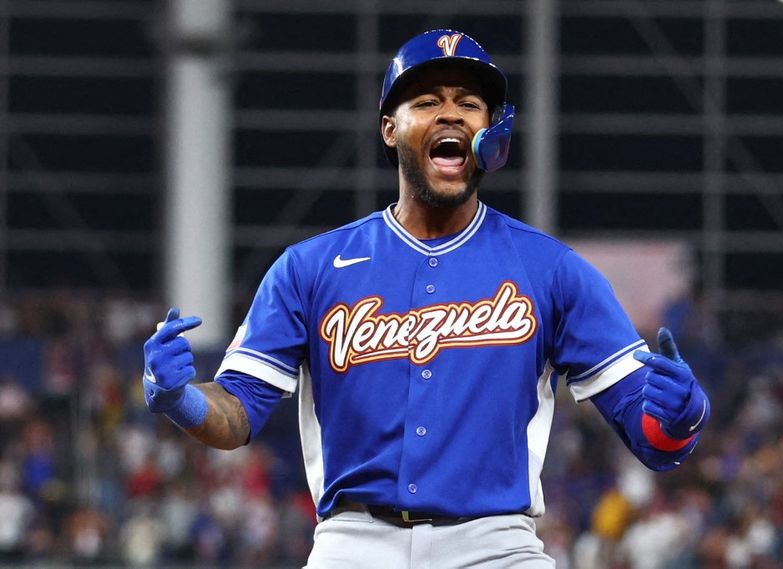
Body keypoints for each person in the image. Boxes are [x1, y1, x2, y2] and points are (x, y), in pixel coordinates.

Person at [142, 29, 710, 568]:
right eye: (427, 100)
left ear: (492, 131)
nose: (451, 114)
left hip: (495, 543)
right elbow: (237, 413)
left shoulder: (552, 270)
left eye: (469, 103)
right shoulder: (309, 268)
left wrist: (683, 415)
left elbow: (656, 441)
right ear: (390, 128)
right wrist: (182, 400)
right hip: (353, 543)